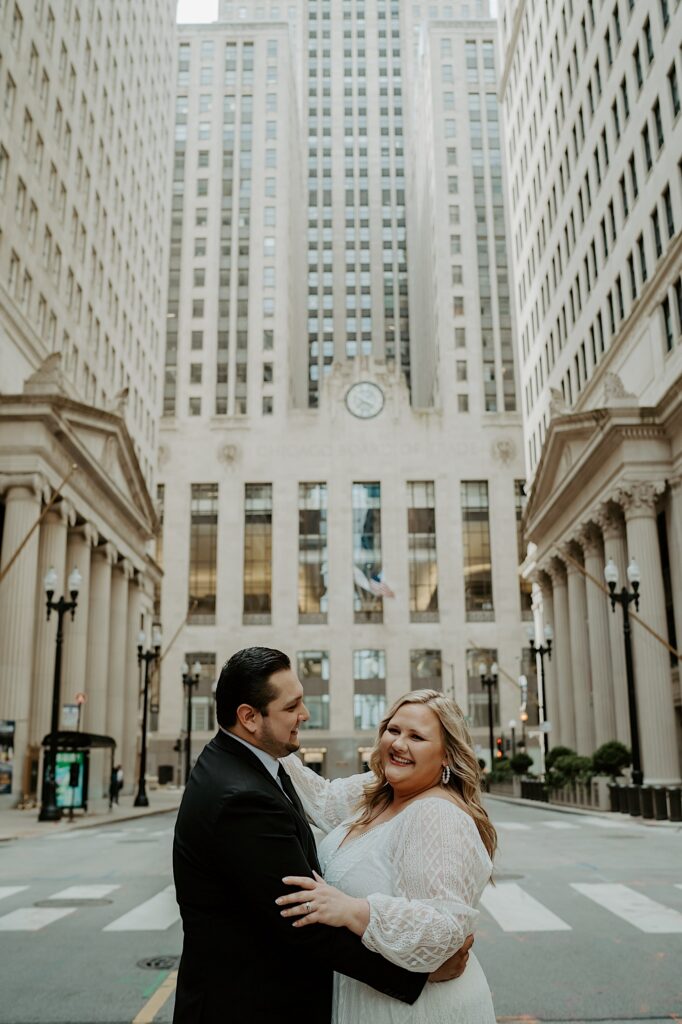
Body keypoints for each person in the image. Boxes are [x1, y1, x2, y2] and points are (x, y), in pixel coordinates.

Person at [172, 648, 471, 1024]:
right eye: (292, 706)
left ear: (447, 755)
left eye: (417, 736)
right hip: (248, 1004)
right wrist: (417, 975)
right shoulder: (242, 795)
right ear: (248, 717)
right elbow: (300, 922)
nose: (305, 715)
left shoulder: (244, 760)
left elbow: (445, 921)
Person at [276, 689, 497, 1024]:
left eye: (417, 737)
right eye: (394, 731)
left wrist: (351, 909)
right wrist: (269, 736)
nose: (398, 744)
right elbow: (319, 797)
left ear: (447, 756)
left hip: (418, 1010)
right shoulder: (378, 793)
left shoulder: (436, 815)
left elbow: (444, 929)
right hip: (369, 994)